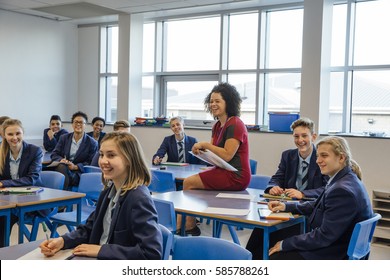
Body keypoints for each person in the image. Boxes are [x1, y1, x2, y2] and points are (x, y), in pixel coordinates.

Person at [40, 132, 163, 260]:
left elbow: (151, 254)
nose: (103, 161)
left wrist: (102, 250)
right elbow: (89, 230)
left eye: (111, 155)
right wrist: (63, 241)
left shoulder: (138, 199)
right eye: (102, 155)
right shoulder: (108, 192)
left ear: (129, 159)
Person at [266, 136, 373, 260]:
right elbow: (319, 205)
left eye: (324, 155)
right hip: (340, 245)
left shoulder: (342, 190)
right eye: (317, 156)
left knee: (276, 254)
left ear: (341, 158)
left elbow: (324, 236)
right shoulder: (345, 179)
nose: (318, 161)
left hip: (335, 252)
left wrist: (285, 244)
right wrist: (286, 206)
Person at [245, 118, 328, 259]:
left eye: (304, 136)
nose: (300, 140)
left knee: (275, 241)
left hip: (307, 213)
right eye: (296, 136)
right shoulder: (288, 155)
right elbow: (277, 177)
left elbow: (326, 189)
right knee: (257, 236)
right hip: (286, 208)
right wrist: (273, 187)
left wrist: (302, 194)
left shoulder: (321, 158)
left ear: (313, 137)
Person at [180, 82, 251, 236]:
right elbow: (215, 156)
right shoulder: (217, 126)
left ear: (228, 102)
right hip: (224, 170)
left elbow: (226, 154)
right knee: (190, 181)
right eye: (211, 101)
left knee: (188, 182)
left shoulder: (236, 124)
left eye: (217, 101)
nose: (213, 104)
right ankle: (187, 225)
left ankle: (188, 227)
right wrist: (201, 151)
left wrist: (205, 144)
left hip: (237, 175)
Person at [0, 119, 43, 247]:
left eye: (18, 133)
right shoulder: (1, 152)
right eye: (10, 134)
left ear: (23, 133)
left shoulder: (35, 151)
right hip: (8, 198)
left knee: (3, 218)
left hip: (33, 200)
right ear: (4, 135)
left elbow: (31, 179)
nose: (14, 138)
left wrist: (3, 183)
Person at [51, 111, 98, 191]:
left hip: (79, 173)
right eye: (76, 122)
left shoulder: (92, 143)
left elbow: (91, 162)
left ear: (85, 125)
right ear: (72, 124)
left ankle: (62, 198)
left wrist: (75, 167)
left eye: (81, 122)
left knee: (61, 173)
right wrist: (61, 160)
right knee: (61, 167)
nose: (78, 124)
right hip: (64, 168)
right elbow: (54, 154)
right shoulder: (64, 138)